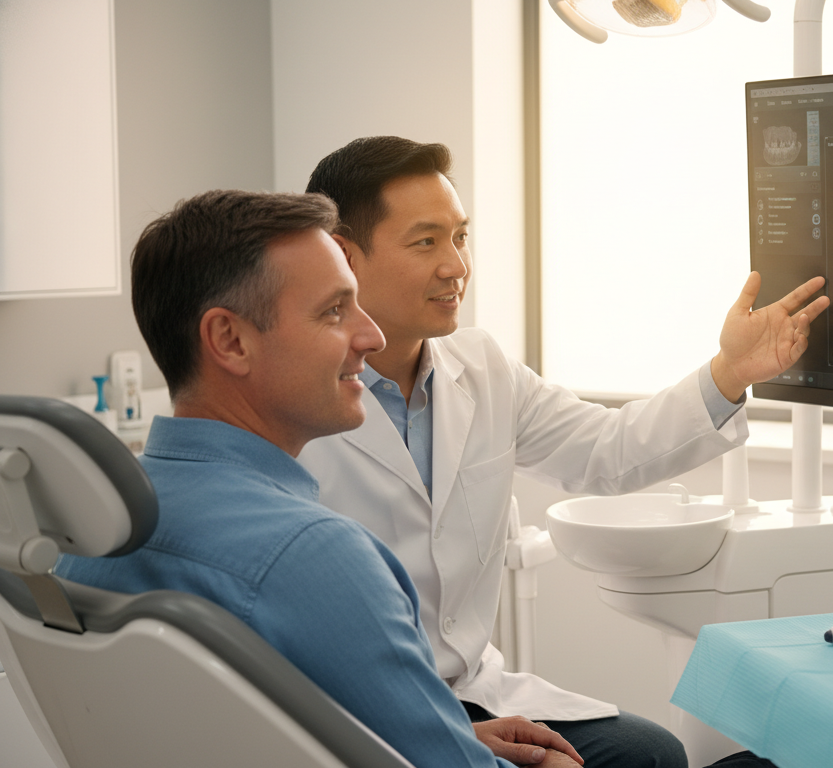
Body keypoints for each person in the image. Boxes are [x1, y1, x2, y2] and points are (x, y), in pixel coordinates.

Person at [298, 136, 827, 768]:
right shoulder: (300, 402)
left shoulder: (482, 365)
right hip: (366, 713)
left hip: (472, 690)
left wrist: (730, 371)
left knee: (653, 752)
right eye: (425, 241)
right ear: (345, 256)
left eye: (460, 237)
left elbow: (607, 449)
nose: (456, 265)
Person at [54, 190, 585, 768]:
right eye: (335, 311)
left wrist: (452, 733)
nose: (371, 336)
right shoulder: (316, 556)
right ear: (230, 340)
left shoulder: (89, 537)